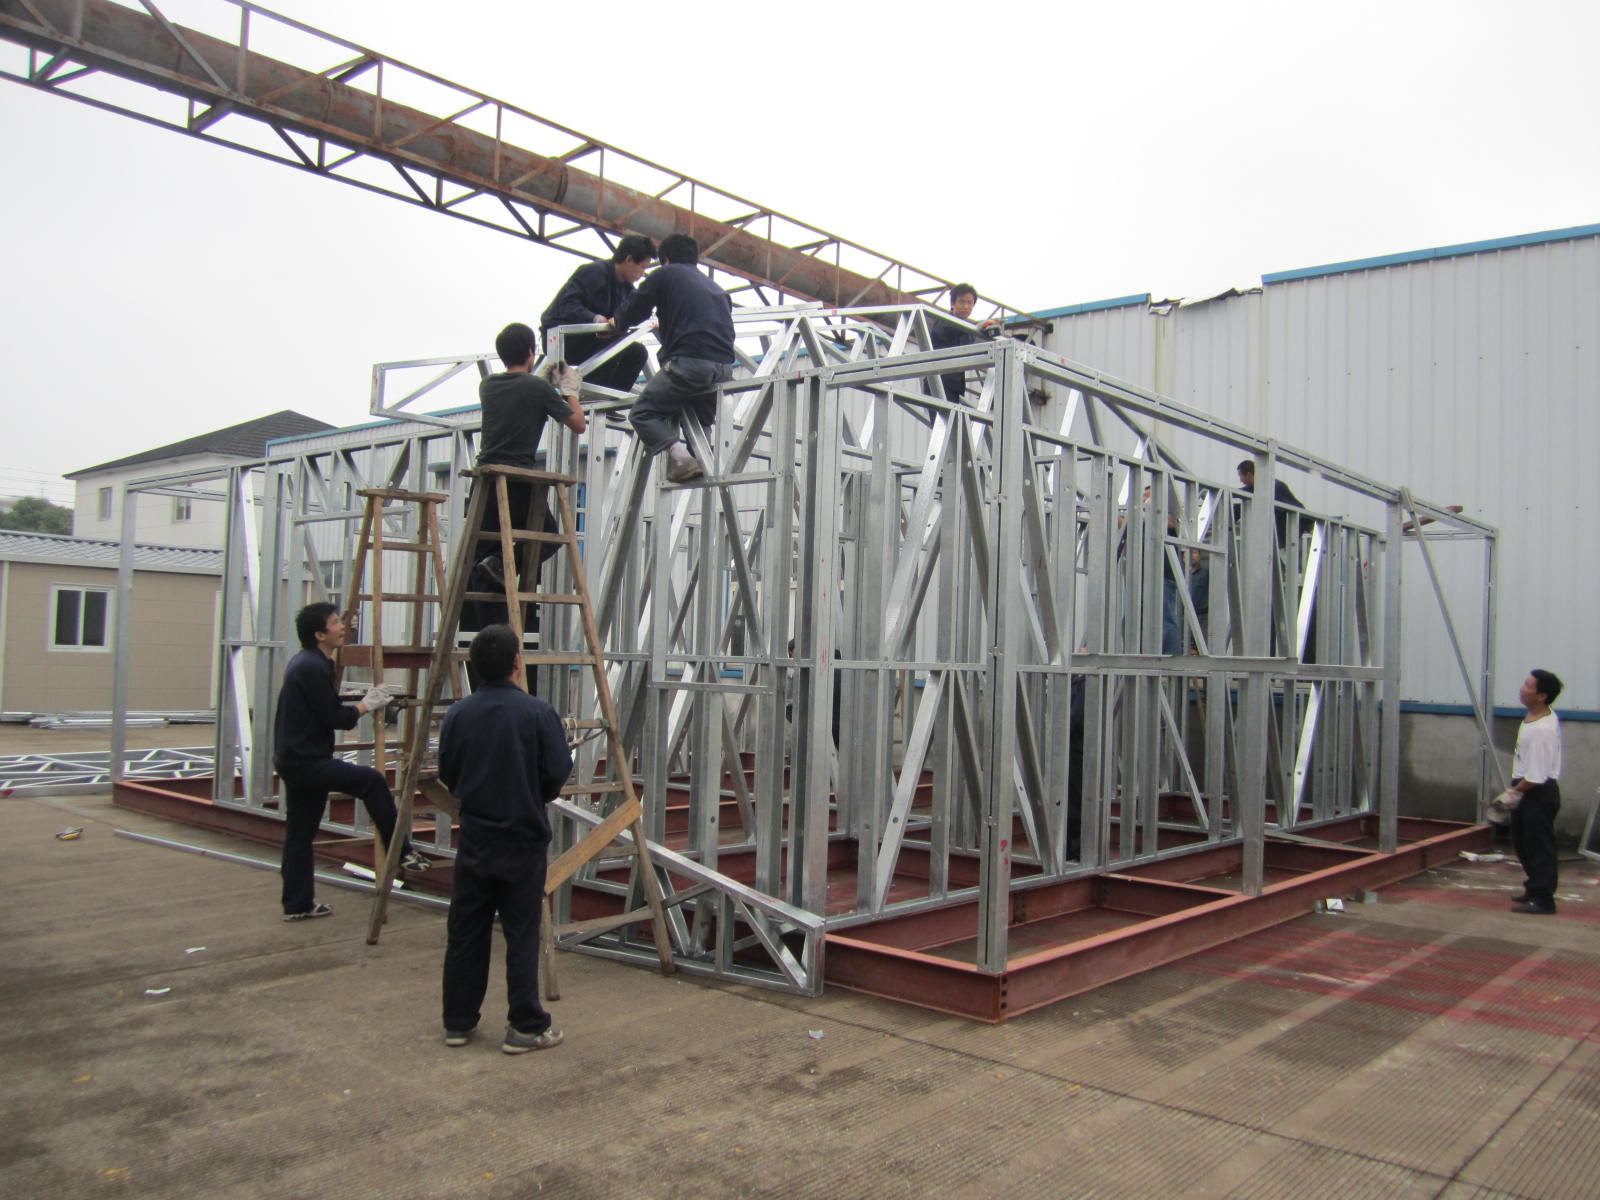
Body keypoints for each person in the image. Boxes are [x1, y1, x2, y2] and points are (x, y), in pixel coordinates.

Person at [438, 624, 573, 1053]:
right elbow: (557, 772)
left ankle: (458, 1021)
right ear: (518, 662)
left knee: (466, 930)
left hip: (476, 838)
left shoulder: (459, 714)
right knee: (521, 933)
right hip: (522, 838)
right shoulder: (537, 713)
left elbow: (448, 773)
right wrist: (531, 794)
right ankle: (525, 1026)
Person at [273, 602, 429, 920]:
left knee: (300, 834)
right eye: (335, 623)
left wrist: (360, 703)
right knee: (372, 782)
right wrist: (366, 705)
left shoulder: (308, 663)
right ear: (320, 634)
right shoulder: (313, 667)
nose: (343, 627)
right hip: (307, 762)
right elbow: (336, 718)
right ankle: (402, 851)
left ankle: (297, 904)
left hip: (295, 759)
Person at [471, 322, 585, 625]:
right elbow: (578, 424)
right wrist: (569, 391)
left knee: (483, 561)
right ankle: (501, 563)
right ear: (532, 353)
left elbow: (519, 395)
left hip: (485, 482)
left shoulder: (488, 386)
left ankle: (490, 637)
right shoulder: (538, 389)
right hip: (517, 482)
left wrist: (543, 383)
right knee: (548, 537)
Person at [613, 233, 735, 483]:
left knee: (643, 414)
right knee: (699, 423)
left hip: (690, 363)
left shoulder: (666, 274)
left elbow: (635, 309)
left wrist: (617, 322)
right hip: (723, 369)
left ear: (666, 259)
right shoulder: (717, 290)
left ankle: (680, 458)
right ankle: (701, 460)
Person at [539, 235, 655, 393]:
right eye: (642, 267)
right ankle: (589, 394)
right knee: (614, 348)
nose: (642, 274)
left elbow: (635, 311)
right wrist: (596, 320)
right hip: (564, 339)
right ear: (629, 260)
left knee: (637, 352)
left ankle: (611, 396)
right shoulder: (594, 272)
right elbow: (567, 305)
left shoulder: (627, 289)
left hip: (594, 341)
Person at [1501, 669, 1564, 915]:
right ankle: (1533, 887)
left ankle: (1543, 899)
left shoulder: (1542, 729)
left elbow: (1537, 776)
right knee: (1523, 843)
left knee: (1539, 847)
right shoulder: (1534, 716)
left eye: (1528, 686)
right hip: (1527, 787)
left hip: (1536, 791)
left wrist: (1513, 793)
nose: (1522, 689)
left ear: (1541, 696)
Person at [929, 283, 979, 404]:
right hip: (937, 383)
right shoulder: (943, 322)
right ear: (953, 304)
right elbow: (946, 331)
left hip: (955, 387)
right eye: (961, 302)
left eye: (969, 302)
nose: (966, 306)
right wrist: (979, 327)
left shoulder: (969, 332)